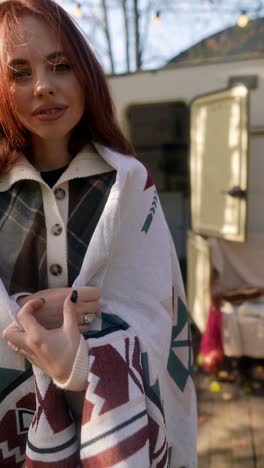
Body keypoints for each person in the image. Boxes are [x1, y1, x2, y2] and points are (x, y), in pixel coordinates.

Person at [0, 0, 197, 466]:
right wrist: (32, 317)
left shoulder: (130, 184)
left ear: (85, 71)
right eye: (20, 73)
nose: (44, 87)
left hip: (109, 430)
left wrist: (81, 357)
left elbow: (161, 322)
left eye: (60, 65)